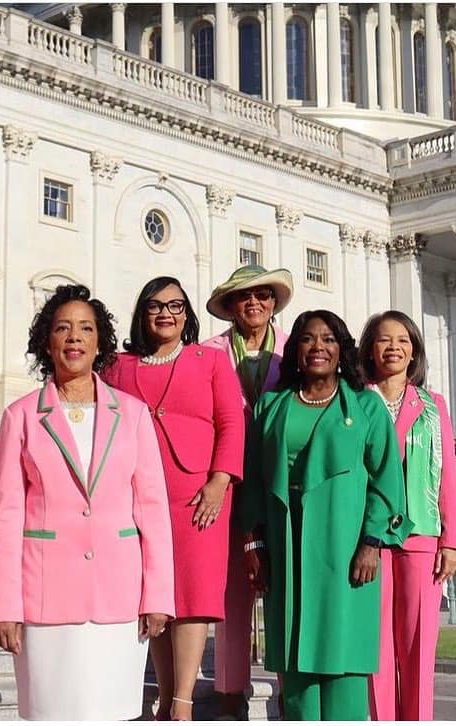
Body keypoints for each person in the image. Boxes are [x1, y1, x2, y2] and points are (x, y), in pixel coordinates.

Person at [0, 284, 175, 720]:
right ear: (46, 342)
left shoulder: (132, 414)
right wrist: (4, 605)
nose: (74, 337)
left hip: (120, 600)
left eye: (86, 328)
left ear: (99, 343)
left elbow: (152, 509)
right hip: (45, 601)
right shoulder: (20, 417)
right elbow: (6, 517)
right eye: (63, 328)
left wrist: (158, 594)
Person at [240, 309, 411, 721]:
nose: (318, 347)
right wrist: (253, 542)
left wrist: (371, 542)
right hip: (286, 545)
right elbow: (253, 481)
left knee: (344, 664)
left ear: (342, 351)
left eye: (329, 339)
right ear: (295, 350)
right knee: (295, 671)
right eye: (308, 339)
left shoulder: (367, 407)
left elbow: (387, 485)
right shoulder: (271, 406)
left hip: (345, 549)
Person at [103, 276, 244, 721]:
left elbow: (231, 423)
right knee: (155, 592)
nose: (166, 313)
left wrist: (220, 482)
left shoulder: (211, 361)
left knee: (193, 592)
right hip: (137, 493)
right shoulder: (118, 367)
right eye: (156, 306)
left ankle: (182, 700)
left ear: (187, 314)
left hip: (198, 494)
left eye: (176, 305)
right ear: (143, 313)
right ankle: (163, 699)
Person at [202, 264, 293, 719]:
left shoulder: (293, 356)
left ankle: (287, 691)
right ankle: (229, 694)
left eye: (262, 295)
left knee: (283, 591)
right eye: (244, 297)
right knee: (231, 594)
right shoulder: (209, 354)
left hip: (281, 488)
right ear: (232, 307)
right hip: (228, 482)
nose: (254, 303)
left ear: (274, 303)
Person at [359, 311, 456, 720]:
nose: (393, 347)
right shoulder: (356, 401)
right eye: (384, 339)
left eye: (403, 339)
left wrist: (450, 541)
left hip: (421, 538)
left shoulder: (433, 406)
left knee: (418, 648)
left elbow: (448, 473)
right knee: (376, 648)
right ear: (370, 349)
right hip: (369, 541)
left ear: (414, 349)